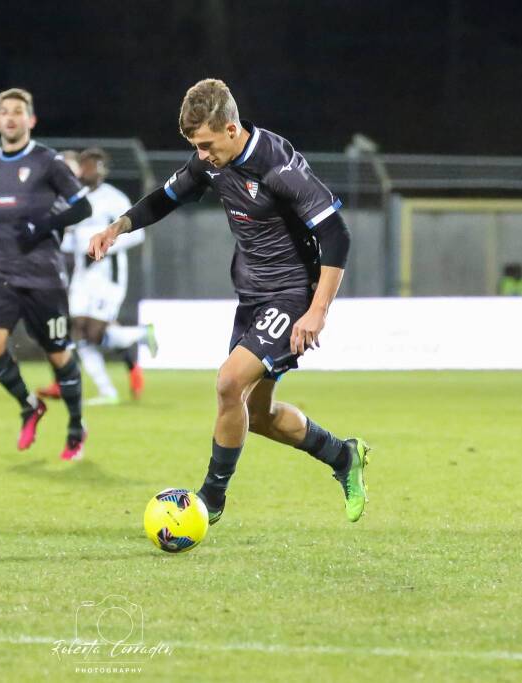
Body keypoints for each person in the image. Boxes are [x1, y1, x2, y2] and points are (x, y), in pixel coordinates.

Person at [89, 79, 371, 524]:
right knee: (257, 416)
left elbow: (336, 234)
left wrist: (317, 311)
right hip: (252, 297)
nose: (201, 156)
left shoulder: (277, 167)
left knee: (227, 383)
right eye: (195, 147)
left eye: (206, 144)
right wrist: (116, 228)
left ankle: (209, 502)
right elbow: (165, 198)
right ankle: (343, 456)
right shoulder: (212, 159)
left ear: (231, 128)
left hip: (292, 293)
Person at [0, 88, 93, 461]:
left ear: (31, 120)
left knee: (58, 355)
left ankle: (75, 426)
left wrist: (44, 225)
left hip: (43, 277)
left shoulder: (48, 161)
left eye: (18, 111)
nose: (10, 117)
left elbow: (82, 207)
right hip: (1, 273)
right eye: (4, 112)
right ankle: (29, 405)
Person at [38, 147, 158, 405]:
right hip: (83, 276)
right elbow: (72, 241)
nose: (96, 171)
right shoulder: (76, 201)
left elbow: (137, 234)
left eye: (100, 167)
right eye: (91, 166)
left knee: (93, 332)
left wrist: (106, 243)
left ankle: (140, 334)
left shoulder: (115, 199)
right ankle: (107, 391)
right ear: (82, 169)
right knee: (78, 333)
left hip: (108, 276)